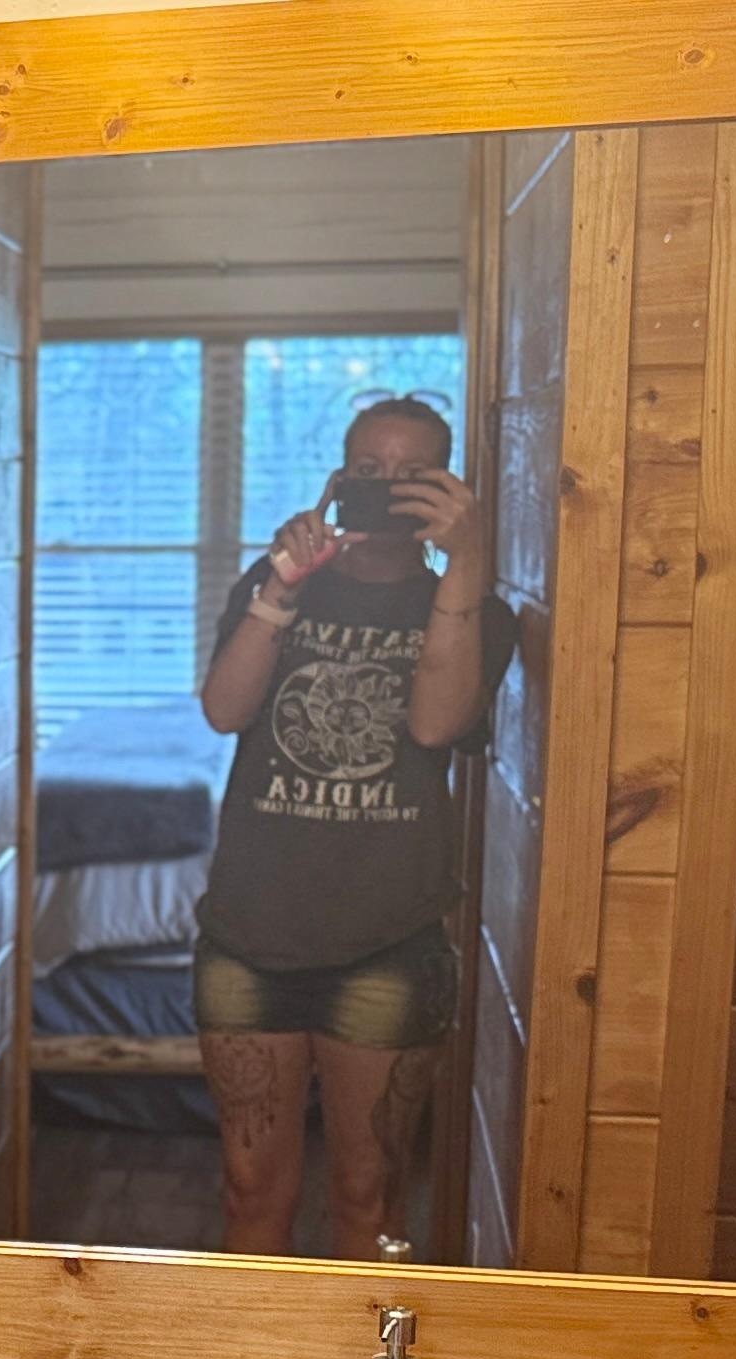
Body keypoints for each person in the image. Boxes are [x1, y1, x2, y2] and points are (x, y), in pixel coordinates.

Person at [190, 396, 516, 1256]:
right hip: (249, 935)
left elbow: (435, 726)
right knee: (250, 1188)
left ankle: (361, 1350)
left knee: (370, 1198)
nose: (387, 488)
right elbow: (224, 711)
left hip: (389, 942)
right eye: (369, 471)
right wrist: (281, 587)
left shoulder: (478, 611)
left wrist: (465, 561)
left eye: (413, 475)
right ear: (337, 480)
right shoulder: (273, 587)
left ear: (447, 488)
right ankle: (256, 1349)